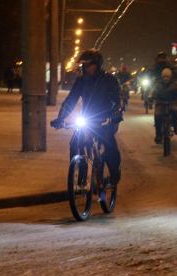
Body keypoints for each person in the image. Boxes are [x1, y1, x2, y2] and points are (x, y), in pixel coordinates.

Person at [51, 49, 123, 186]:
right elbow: (71, 100)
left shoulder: (109, 80)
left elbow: (117, 101)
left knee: (109, 144)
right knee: (75, 143)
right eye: (83, 65)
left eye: (88, 65)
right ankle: (81, 175)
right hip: (88, 118)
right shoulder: (81, 81)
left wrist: (113, 116)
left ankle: (115, 175)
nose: (85, 68)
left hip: (105, 119)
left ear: (97, 64)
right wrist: (61, 118)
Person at [151, 68, 177, 144]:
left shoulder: (175, 84)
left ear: (170, 77)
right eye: (164, 76)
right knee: (157, 117)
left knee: (175, 112)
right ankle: (158, 135)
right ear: (162, 77)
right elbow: (153, 92)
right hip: (160, 103)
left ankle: (176, 126)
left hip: (172, 103)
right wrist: (150, 97)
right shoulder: (157, 84)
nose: (166, 78)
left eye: (167, 76)